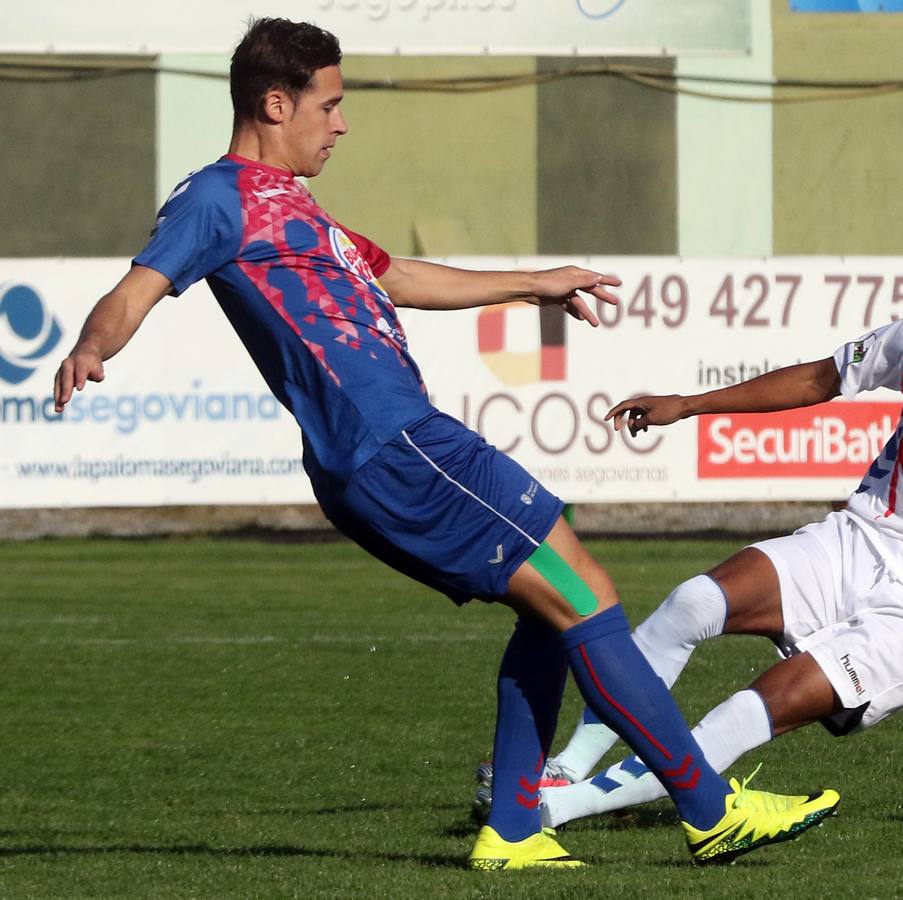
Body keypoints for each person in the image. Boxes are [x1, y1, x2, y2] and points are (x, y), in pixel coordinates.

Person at [50, 17, 838, 869]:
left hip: (399, 446)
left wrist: (537, 282)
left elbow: (402, 277)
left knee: (549, 613)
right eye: (330, 103)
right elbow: (140, 286)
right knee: (586, 591)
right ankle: (710, 809)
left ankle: (513, 830)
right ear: (275, 103)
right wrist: (94, 347)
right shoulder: (219, 197)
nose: (341, 123)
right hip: (394, 446)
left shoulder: (295, 205)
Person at [478, 234, 903, 830]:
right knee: (693, 602)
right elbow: (821, 379)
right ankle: (564, 765)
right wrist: (689, 404)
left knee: (758, 704)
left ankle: (550, 811)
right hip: (861, 540)